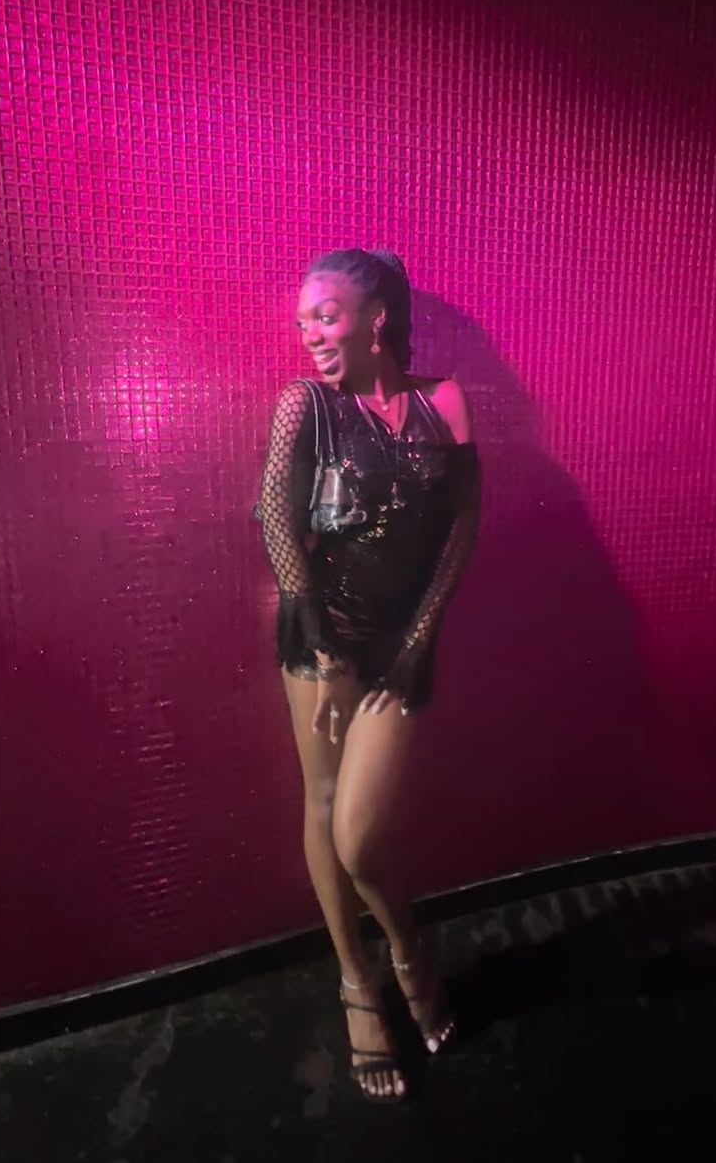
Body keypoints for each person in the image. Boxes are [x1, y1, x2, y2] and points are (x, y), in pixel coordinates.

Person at [256, 248, 480, 1102]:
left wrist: (421, 639)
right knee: (321, 805)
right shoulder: (305, 404)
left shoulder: (443, 400)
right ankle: (358, 981)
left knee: (360, 838)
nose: (311, 334)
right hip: (325, 639)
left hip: (400, 647)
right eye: (304, 320)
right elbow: (277, 519)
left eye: (326, 315)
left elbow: (462, 525)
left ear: (375, 316)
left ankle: (408, 948)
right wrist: (319, 646)